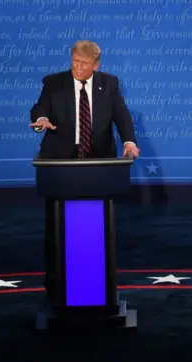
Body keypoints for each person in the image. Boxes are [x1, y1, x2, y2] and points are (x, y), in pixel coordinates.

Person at [28, 40, 140, 305]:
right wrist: (42, 120)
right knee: (56, 228)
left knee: (98, 226)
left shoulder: (109, 84)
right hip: (60, 166)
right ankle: (56, 284)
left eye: (83, 64)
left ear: (96, 65)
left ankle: (100, 285)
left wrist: (129, 142)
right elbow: (39, 108)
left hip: (98, 165)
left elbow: (121, 116)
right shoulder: (54, 82)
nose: (77, 68)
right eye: (74, 62)